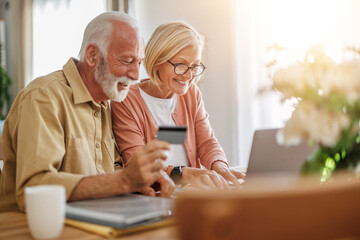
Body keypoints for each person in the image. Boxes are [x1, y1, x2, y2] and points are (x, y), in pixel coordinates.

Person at [0, 12, 175, 213]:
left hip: (93, 222)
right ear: (93, 55)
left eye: (139, 62)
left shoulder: (105, 100)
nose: (136, 75)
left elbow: (111, 173)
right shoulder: (44, 97)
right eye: (127, 61)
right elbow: (34, 188)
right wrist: (124, 181)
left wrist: (140, 182)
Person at [111, 21, 245, 189]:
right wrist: (183, 173)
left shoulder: (191, 94)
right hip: (157, 196)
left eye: (195, 66)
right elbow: (137, 163)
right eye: (181, 65)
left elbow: (206, 143)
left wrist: (221, 167)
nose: (189, 76)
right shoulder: (126, 100)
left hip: (190, 195)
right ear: (157, 60)